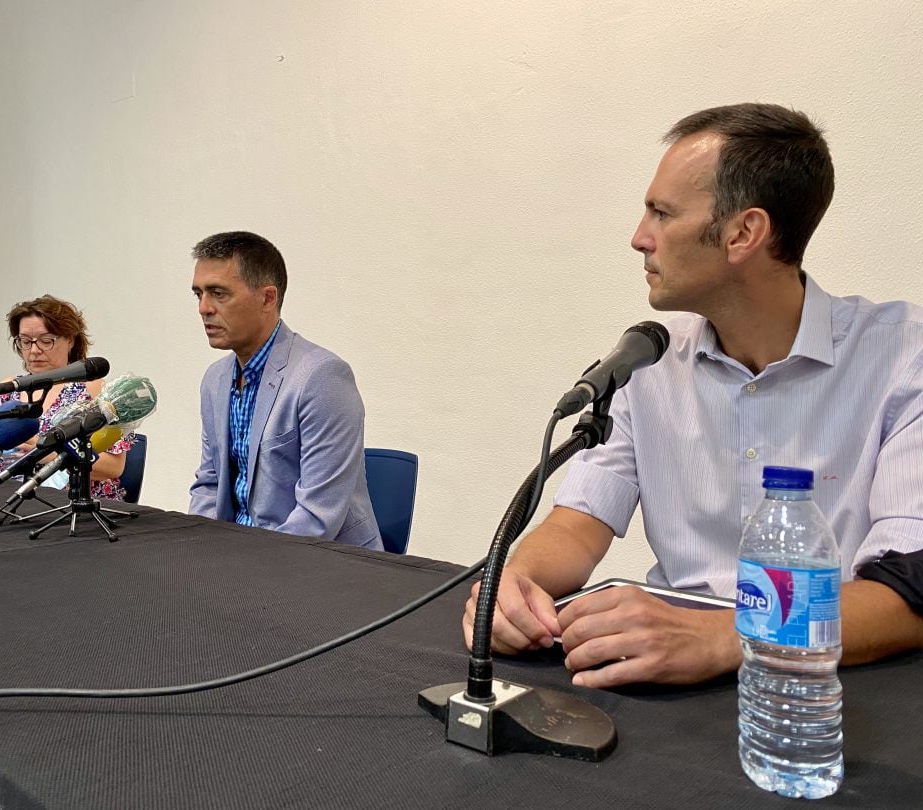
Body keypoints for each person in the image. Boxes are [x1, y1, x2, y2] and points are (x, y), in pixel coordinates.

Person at [464, 103, 923, 688]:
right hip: (667, 684)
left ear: (742, 234)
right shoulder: (648, 359)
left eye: (661, 212)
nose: (638, 238)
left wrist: (727, 635)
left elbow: (907, 595)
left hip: (827, 697)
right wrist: (513, 584)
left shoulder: (905, 358)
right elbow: (579, 522)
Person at [188, 231, 382, 550]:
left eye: (219, 293)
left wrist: (244, 565)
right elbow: (209, 484)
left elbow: (318, 519)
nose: (204, 308)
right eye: (199, 294)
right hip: (236, 556)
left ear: (267, 298)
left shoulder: (321, 377)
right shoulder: (215, 380)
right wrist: (200, 549)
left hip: (317, 564)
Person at [0, 294, 133, 501]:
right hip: (8, 503)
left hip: (75, 507)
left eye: (45, 340)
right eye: (25, 341)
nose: (34, 350)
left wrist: (48, 454)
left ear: (70, 339)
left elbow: (113, 468)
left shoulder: (94, 393)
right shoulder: (8, 391)